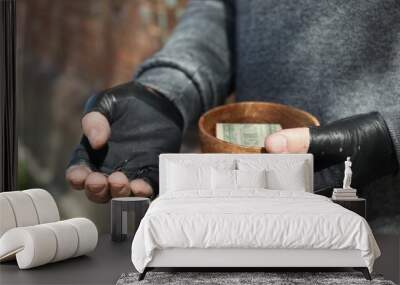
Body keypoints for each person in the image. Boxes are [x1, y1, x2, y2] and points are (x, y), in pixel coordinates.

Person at [65, 1, 399, 229]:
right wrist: (167, 92)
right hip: (257, 222)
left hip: (386, 231)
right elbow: (218, 13)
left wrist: (390, 137)